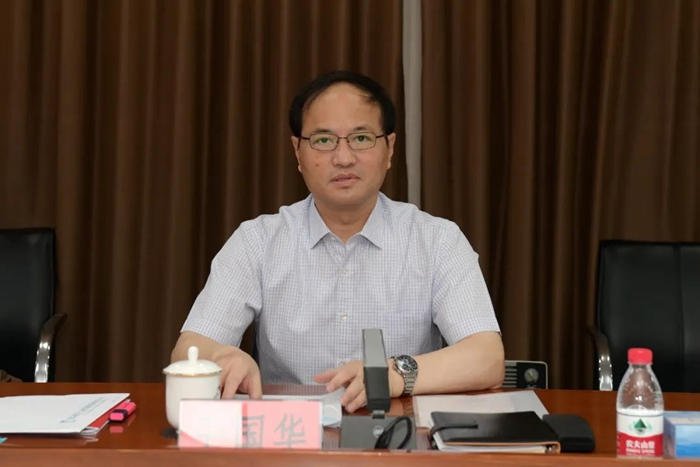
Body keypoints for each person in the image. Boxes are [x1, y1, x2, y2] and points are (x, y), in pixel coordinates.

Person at [171, 70, 504, 413]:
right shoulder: (257, 241)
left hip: (399, 435)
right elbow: (189, 348)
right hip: (289, 434)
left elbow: (487, 357)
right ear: (298, 152)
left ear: (390, 148)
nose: (344, 158)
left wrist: (392, 375)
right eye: (324, 140)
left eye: (361, 138)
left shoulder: (437, 241)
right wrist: (222, 356)